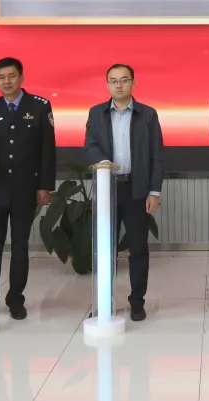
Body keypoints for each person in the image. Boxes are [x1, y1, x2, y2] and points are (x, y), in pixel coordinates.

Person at [0, 57, 56, 320]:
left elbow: (47, 149)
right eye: (1, 77)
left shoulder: (39, 106)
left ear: (21, 77)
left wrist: (45, 185)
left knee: (19, 246)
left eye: (11, 76)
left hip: (25, 188)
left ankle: (16, 300)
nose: (6, 82)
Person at [83, 64, 165, 322]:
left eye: (124, 80)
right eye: (113, 80)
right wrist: (103, 163)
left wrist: (154, 191)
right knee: (105, 248)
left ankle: (137, 302)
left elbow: (156, 155)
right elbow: (90, 146)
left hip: (137, 190)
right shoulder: (96, 113)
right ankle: (105, 302)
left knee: (138, 248)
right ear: (107, 84)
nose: (118, 85)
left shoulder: (148, 114)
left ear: (133, 83)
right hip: (108, 188)